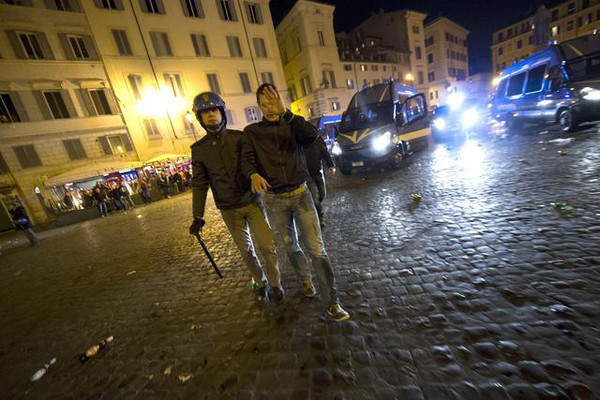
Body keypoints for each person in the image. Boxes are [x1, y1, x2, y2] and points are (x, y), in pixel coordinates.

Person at [241, 83, 350, 322]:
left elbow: (313, 136)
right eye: (265, 103)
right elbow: (246, 160)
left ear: (280, 100)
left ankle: (332, 302)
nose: (270, 107)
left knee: (317, 249)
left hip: (301, 195)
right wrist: (253, 174)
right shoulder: (252, 132)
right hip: (274, 200)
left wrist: (287, 114)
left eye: (274, 101)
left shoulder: (293, 124)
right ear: (259, 106)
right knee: (291, 247)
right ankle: (306, 280)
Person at [189, 92, 283, 302]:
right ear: (200, 118)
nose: (211, 115)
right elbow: (200, 184)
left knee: (267, 246)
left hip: (252, 202)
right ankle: (260, 281)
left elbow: (257, 163)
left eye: (214, 110)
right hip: (229, 209)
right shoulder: (199, 150)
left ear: (222, 113)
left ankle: (275, 283)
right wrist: (197, 216)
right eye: (205, 113)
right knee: (246, 251)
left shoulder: (240, 138)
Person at [304, 134, 336, 228]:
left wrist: (330, 165)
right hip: (307, 175)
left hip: (318, 172)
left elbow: (324, 152)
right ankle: (319, 217)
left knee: (322, 194)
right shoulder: (299, 141)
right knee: (314, 198)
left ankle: (316, 209)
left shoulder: (317, 139)